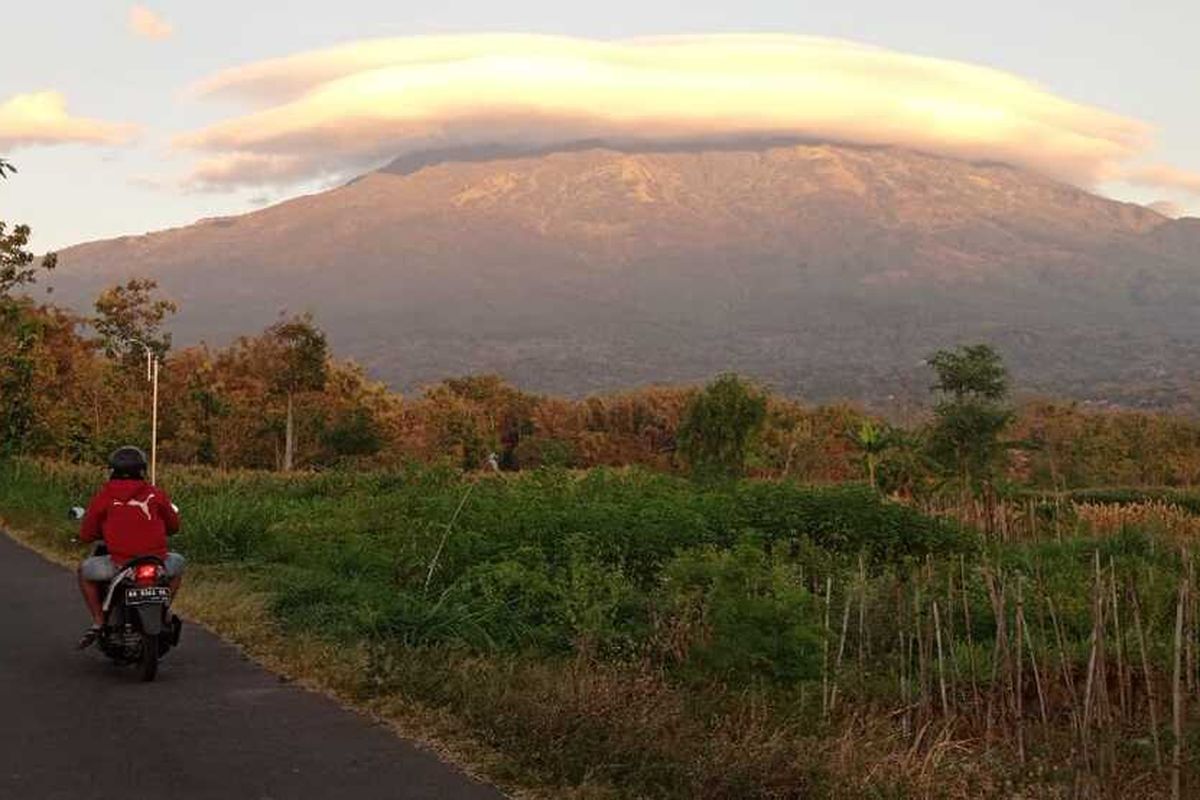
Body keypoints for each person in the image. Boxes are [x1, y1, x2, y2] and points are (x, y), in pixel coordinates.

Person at [76, 446, 185, 649]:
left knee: (84, 571)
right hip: (156, 561)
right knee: (178, 565)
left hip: (120, 563)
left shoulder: (104, 497)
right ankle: (165, 608)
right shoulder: (155, 495)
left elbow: (86, 534)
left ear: (112, 471)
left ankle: (99, 620)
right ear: (142, 470)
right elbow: (174, 526)